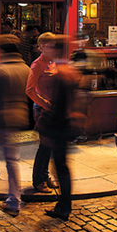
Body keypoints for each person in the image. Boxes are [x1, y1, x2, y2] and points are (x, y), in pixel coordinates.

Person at [37, 35, 81, 221]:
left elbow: (58, 106)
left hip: (59, 127)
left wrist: (47, 129)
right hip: (67, 125)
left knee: (61, 167)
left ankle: (64, 206)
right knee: (62, 166)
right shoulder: (72, 71)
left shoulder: (60, 74)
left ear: (56, 50)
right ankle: (64, 204)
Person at [0, 35, 30, 216]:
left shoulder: (0, 71)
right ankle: (13, 198)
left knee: (11, 161)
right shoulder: (25, 68)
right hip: (19, 118)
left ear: (2, 50)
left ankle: (14, 201)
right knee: (13, 160)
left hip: (3, 120)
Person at [26, 32, 59, 193]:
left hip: (52, 109)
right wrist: (45, 103)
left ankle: (44, 176)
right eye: (50, 45)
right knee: (45, 145)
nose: (54, 48)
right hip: (42, 110)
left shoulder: (53, 62)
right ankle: (38, 180)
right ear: (42, 47)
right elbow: (29, 90)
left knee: (49, 145)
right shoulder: (37, 64)